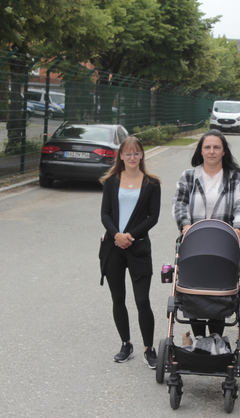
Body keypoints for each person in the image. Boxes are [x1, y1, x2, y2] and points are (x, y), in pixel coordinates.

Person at [172, 129, 240, 337]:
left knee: (220, 289)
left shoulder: (236, 178)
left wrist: (238, 228)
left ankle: (216, 337)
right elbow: (179, 204)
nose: (212, 151)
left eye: (217, 147)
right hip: (194, 240)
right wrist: (185, 225)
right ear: (201, 150)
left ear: (224, 151)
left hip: (223, 243)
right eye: (207, 147)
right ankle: (199, 338)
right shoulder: (188, 176)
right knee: (194, 289)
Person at [99, 136, 161, 368]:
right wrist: (116, 235)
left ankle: (149, 348)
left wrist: (129, 236)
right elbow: (105, 214)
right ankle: (126, 344)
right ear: (121, 156)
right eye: (128, 153)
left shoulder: (152, 183)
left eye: (136, 153)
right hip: (113, 247)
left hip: (139, 248)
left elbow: (153, 217)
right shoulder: (112, 181)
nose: (132, 157)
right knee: (118, 299)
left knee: (142, 300)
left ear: (142, 155)